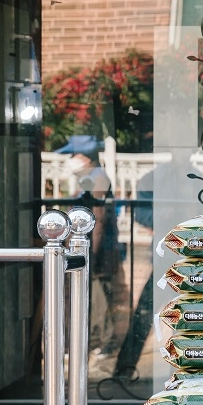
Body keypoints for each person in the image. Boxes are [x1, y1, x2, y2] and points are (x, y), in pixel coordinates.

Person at [55, 134, 130, 377]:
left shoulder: (96, 178)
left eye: (73, 155)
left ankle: (102, 343)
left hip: (95, 252)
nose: (70, 160)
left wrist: (89, 254)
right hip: (90, 250)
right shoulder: (90, 176)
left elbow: (96, 220)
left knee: (97, 297)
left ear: (84, 157)